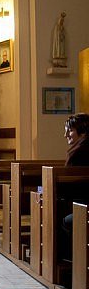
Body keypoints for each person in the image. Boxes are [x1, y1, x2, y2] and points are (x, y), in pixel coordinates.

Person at [59, 113, 89, 267]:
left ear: (82, 131)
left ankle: (67, 262)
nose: (65, 135)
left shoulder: (78, 152)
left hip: (83, 206)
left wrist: (43, 190)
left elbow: (68, 186)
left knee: (59, 216)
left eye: (69, 130)